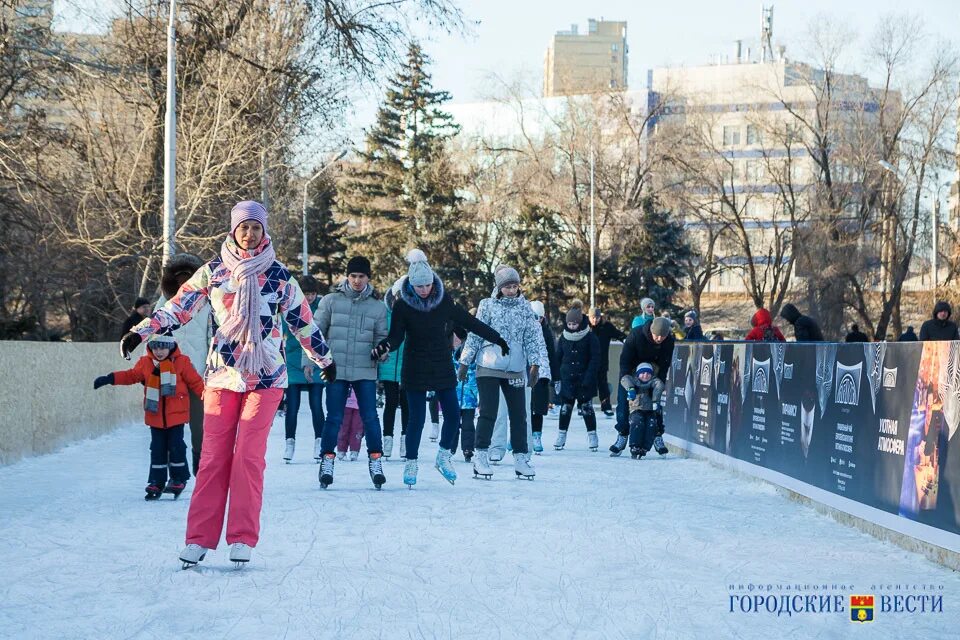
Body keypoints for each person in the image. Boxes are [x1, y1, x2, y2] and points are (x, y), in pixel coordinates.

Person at [121, 200, 334, 568]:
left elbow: (302, 322)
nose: (249, 234)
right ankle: (199, 539)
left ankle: (241, 538)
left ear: (264, 232)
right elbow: (177, 307)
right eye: (243, 227)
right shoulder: (213, 272)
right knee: (213, 459)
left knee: (248, 457)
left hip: (266, 378)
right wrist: (140, 332)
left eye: (256, 227)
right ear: (233, 230)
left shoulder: (280, 277)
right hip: (222, 376)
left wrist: (324, 359)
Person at [372, 249, 506, 487]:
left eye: (428, 285)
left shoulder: (443, 301)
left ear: (433, 282)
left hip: (441, 363)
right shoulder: (403, 306)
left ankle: (444, 456)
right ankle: (411, 462)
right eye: (419, 287)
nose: (424, 291)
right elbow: (396, 337)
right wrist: (383, 347)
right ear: (411, 285)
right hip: (414, 365)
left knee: (454, 414)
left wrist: (497, 339)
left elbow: (470, 322)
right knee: (416, 419)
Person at [458, 266, 550, 480]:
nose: (511, 290)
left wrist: (535, 364)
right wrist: (465, 361)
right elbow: (476, 334)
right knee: (489, 412)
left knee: (519, 414)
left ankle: (520, 458)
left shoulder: (525, 308)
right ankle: (481, 455)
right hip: (489, 366)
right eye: (507, 286)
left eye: (514, 285)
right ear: (499, 287)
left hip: (515, 368)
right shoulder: (487, 305)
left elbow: (532, 337)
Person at [95, 334, 205, 500]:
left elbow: (195, 382)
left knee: (176, 447)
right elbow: (131, 375)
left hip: (177, 416)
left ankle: (178, 478)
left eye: (162, 347)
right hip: (155, 416)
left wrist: (208, 398)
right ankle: (156, 481)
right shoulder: (145, 363)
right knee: (157, 449)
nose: (159, 351)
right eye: (155, 347)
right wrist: (110, 378)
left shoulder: (182, 362)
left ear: (171, 347)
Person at [314, 256, 387, 490]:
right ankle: (327, 460)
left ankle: (375, 460)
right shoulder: (331, 301)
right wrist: (318, 361)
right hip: (336, 369)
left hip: (365, 370)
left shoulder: (377, 307)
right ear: (347, 276)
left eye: (361, 276)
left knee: (370, 417)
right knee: (334, 417)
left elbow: (382, 337)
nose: (357, 280)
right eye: (353, 276)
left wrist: (381, 351)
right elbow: (316, 333)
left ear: (368, 278)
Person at [157, 254, 210, 475]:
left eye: (187, 280)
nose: (183, 286)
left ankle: (201, 465)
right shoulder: (165, 304)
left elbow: (213, 335)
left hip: (198, 374)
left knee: (199, 426)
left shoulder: (207, 303)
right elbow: (154, 334)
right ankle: (176, 470)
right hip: (171, 375)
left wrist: (213, 367)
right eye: (179, 281)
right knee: (172, 425)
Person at [610, 317, 675, 457]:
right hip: (631, 373)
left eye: (663, 336)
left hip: (653, 375)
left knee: (655, 405)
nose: (659, 338)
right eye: (657, 335)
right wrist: (627, 382)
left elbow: (665, 365)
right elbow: (625, 361)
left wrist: (659, 385)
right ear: (651, 331)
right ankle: (622, 433)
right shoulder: (635, 335)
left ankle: (657, 435)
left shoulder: (669, 341)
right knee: (623, 404)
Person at [282, 274, 325, 464]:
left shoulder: (322, 308)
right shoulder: (290, 307)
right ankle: (289, 442)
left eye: (312, 294)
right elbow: (283, 330)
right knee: (292, 407)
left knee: (317, 405)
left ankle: (319, 442)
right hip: (293, 361)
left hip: (315, 361)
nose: (309, 297)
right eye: (306, 293)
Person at [554, 306, 600, 451]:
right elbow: (558, 357)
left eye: (574, 324)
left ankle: (592, 435)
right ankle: (561, 435)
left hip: (585, 378)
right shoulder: (563, 337)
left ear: (580, 323)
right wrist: (556, 378)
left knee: (587, 408)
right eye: (569, 324)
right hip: (567, 378)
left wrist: (589, 377)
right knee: (565, 408)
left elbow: (595, 359)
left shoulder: (590, 337)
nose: (572, 327)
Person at [379, 281, 408, 459]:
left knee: (407, 404)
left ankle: (405, 441)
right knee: (390, 402)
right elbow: (380, 335)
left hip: (407, 365)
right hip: (388, 364)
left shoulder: (411, 313)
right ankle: (387, 440)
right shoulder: (385, 314)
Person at [530, 300, 559, 453]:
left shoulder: (546, 332)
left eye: (540, 317)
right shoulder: (523, 329)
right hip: (525, 373)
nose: (538, 320)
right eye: (535, 317)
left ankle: (536, 435)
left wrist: (556, 377)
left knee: (538, 408)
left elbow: (552, 356)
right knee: (523, 407)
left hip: (542, 375)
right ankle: (519, 436)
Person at [620, 362, 665, 459]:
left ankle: (645, 447)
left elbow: (659, 384)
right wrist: (631, 389)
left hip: (650, 411)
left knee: (651, 425)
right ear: (637, 374)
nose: (645, 375)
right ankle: (635, 446)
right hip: (636, 410)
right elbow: (625, 379)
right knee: (637, 423)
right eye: (642, 373)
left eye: (648, 373)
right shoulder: (634, 381)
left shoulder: (653, 382)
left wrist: (655, 401)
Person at [588, 307, 626, 416]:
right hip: (587, 361)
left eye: (597, 318)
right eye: (592, 318)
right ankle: (585, 404)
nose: (595, 320)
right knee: (588, 383)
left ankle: (606, 406)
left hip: (602, 361)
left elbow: (618, 334)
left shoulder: (606, 327)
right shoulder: (585, 326)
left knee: (602, 384)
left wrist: (625, 340)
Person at [453, 333, 478, 462]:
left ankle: (468, 448)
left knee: (468, 425)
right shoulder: (454, 362)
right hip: (454, 399)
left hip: (469, 400)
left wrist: (477, 395)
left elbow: (476, 384)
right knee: (453, 423)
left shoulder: (475, 366)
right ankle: (449, 447)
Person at [336, 389, 364, 461]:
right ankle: (341, 450)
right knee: (343, 428)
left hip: (360, 404)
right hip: (345, 403)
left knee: (357, 428)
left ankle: (354, 450)